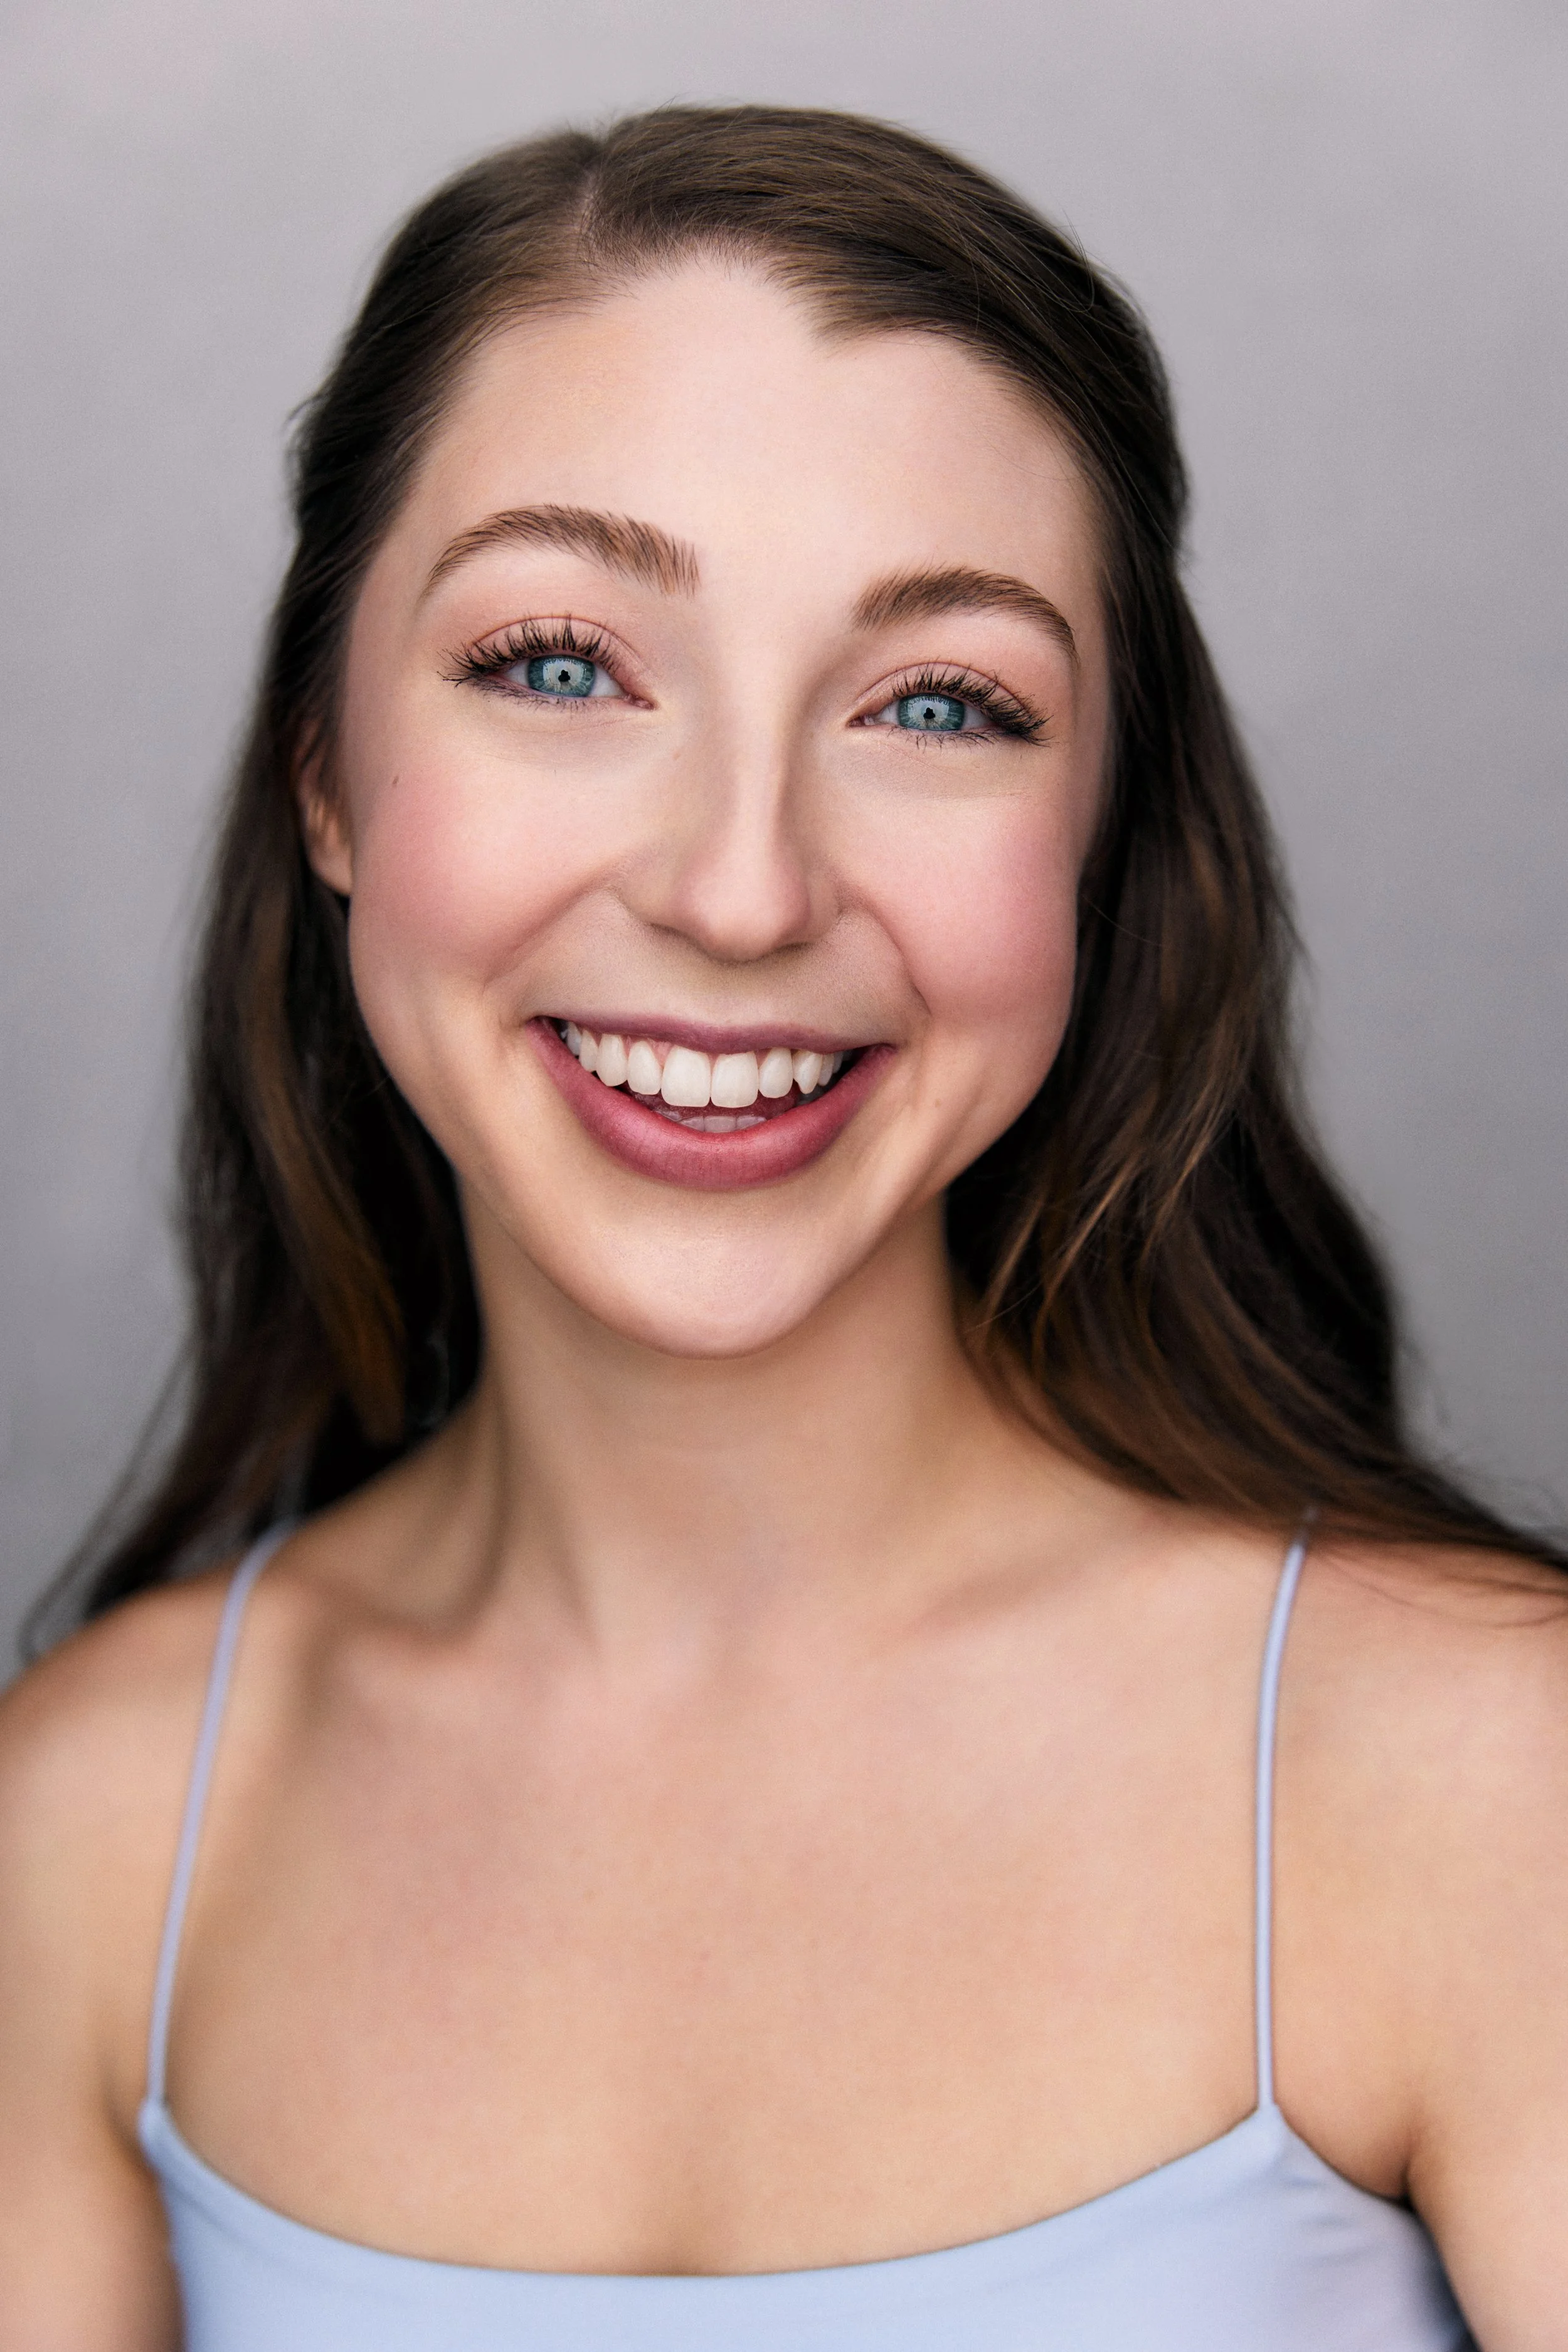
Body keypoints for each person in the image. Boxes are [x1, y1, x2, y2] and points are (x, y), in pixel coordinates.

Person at [0, 103, 1560, 2352]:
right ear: (328, 775)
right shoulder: (93, 1835)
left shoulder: (1488, 1780)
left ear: (1105, 844)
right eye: (560, 664)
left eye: (940, 701)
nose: (741, 889)